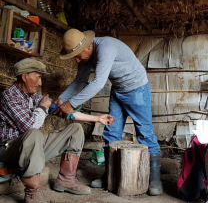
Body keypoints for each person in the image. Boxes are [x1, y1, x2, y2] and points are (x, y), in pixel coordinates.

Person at [56, 29, 163, 196]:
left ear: (87, 46)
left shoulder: (106, 47)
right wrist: (61, 100)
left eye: (78, 55)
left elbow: (98, 83)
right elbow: (79, 81)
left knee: (145, 132)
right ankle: (110, 175)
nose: (77, 60)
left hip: (137, 89)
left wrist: (72, 103)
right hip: (118, 90)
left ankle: (154, 179)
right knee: (111, 132)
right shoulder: (85, 56)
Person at [0, 58, 114, 203]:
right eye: (39, 77)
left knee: (75, 129)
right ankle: (32, 191)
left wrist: (98, 119)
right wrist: (42, 108)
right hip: (9, 149)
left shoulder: (33, 97)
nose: (40, 83)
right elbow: (29, 127)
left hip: (31, 148)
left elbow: (63, 112)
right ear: (24, 76)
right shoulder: (9, 96)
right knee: (34, 133)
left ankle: (66, 180)